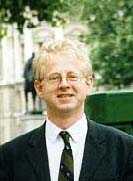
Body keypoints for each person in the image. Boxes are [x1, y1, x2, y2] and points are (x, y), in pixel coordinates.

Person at [0, 37, 133, 181]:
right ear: (39, 87)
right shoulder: (9, 156)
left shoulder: (125, 151)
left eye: (72, 76)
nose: (64, 84)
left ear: (89, 83)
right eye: (54, 78)